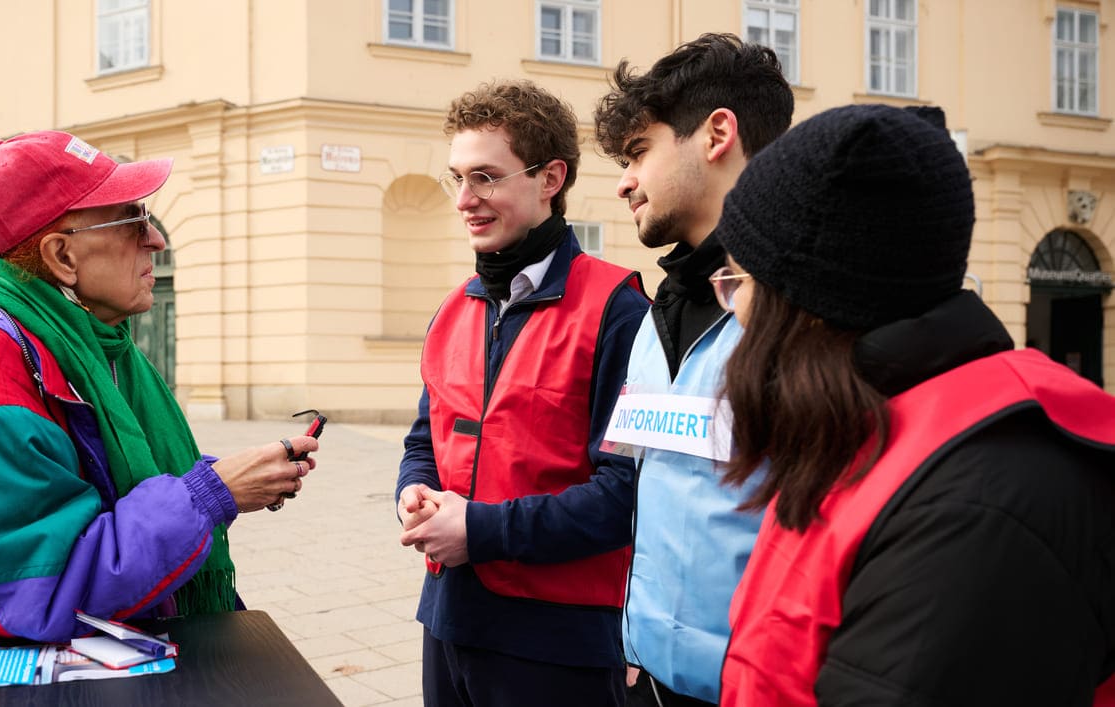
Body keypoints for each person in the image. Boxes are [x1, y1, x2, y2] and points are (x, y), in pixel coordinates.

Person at [711, 104, 1115, 705]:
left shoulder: (976, 507)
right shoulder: (861, 425)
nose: (734, 310)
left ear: (808, 307)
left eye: (738, 281)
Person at [0, 131, 320, 691]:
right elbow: (38, 586)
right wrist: (206, 496)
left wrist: (233, 479)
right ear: (61, 256)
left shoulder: (72, 339)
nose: (156, 239)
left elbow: (90, 483)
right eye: (132, 219)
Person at [395, 79, 650, 706]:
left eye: (485, 178)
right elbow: (425, 441)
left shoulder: (620, 310)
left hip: (558, 640)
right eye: (457, 178)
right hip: (448, 620)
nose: (465, 200)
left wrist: (480, 530)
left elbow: (627, 493)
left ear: (550, 179)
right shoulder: (452, 310)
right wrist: (413, 492)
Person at [591, 33, 792, 706]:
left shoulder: (802, 314)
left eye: (638, 152)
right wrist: (636, 642)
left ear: (717, 134)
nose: (624, 182)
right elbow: (647, 484)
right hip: (646, 676)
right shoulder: (658, 311)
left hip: (755, 687)